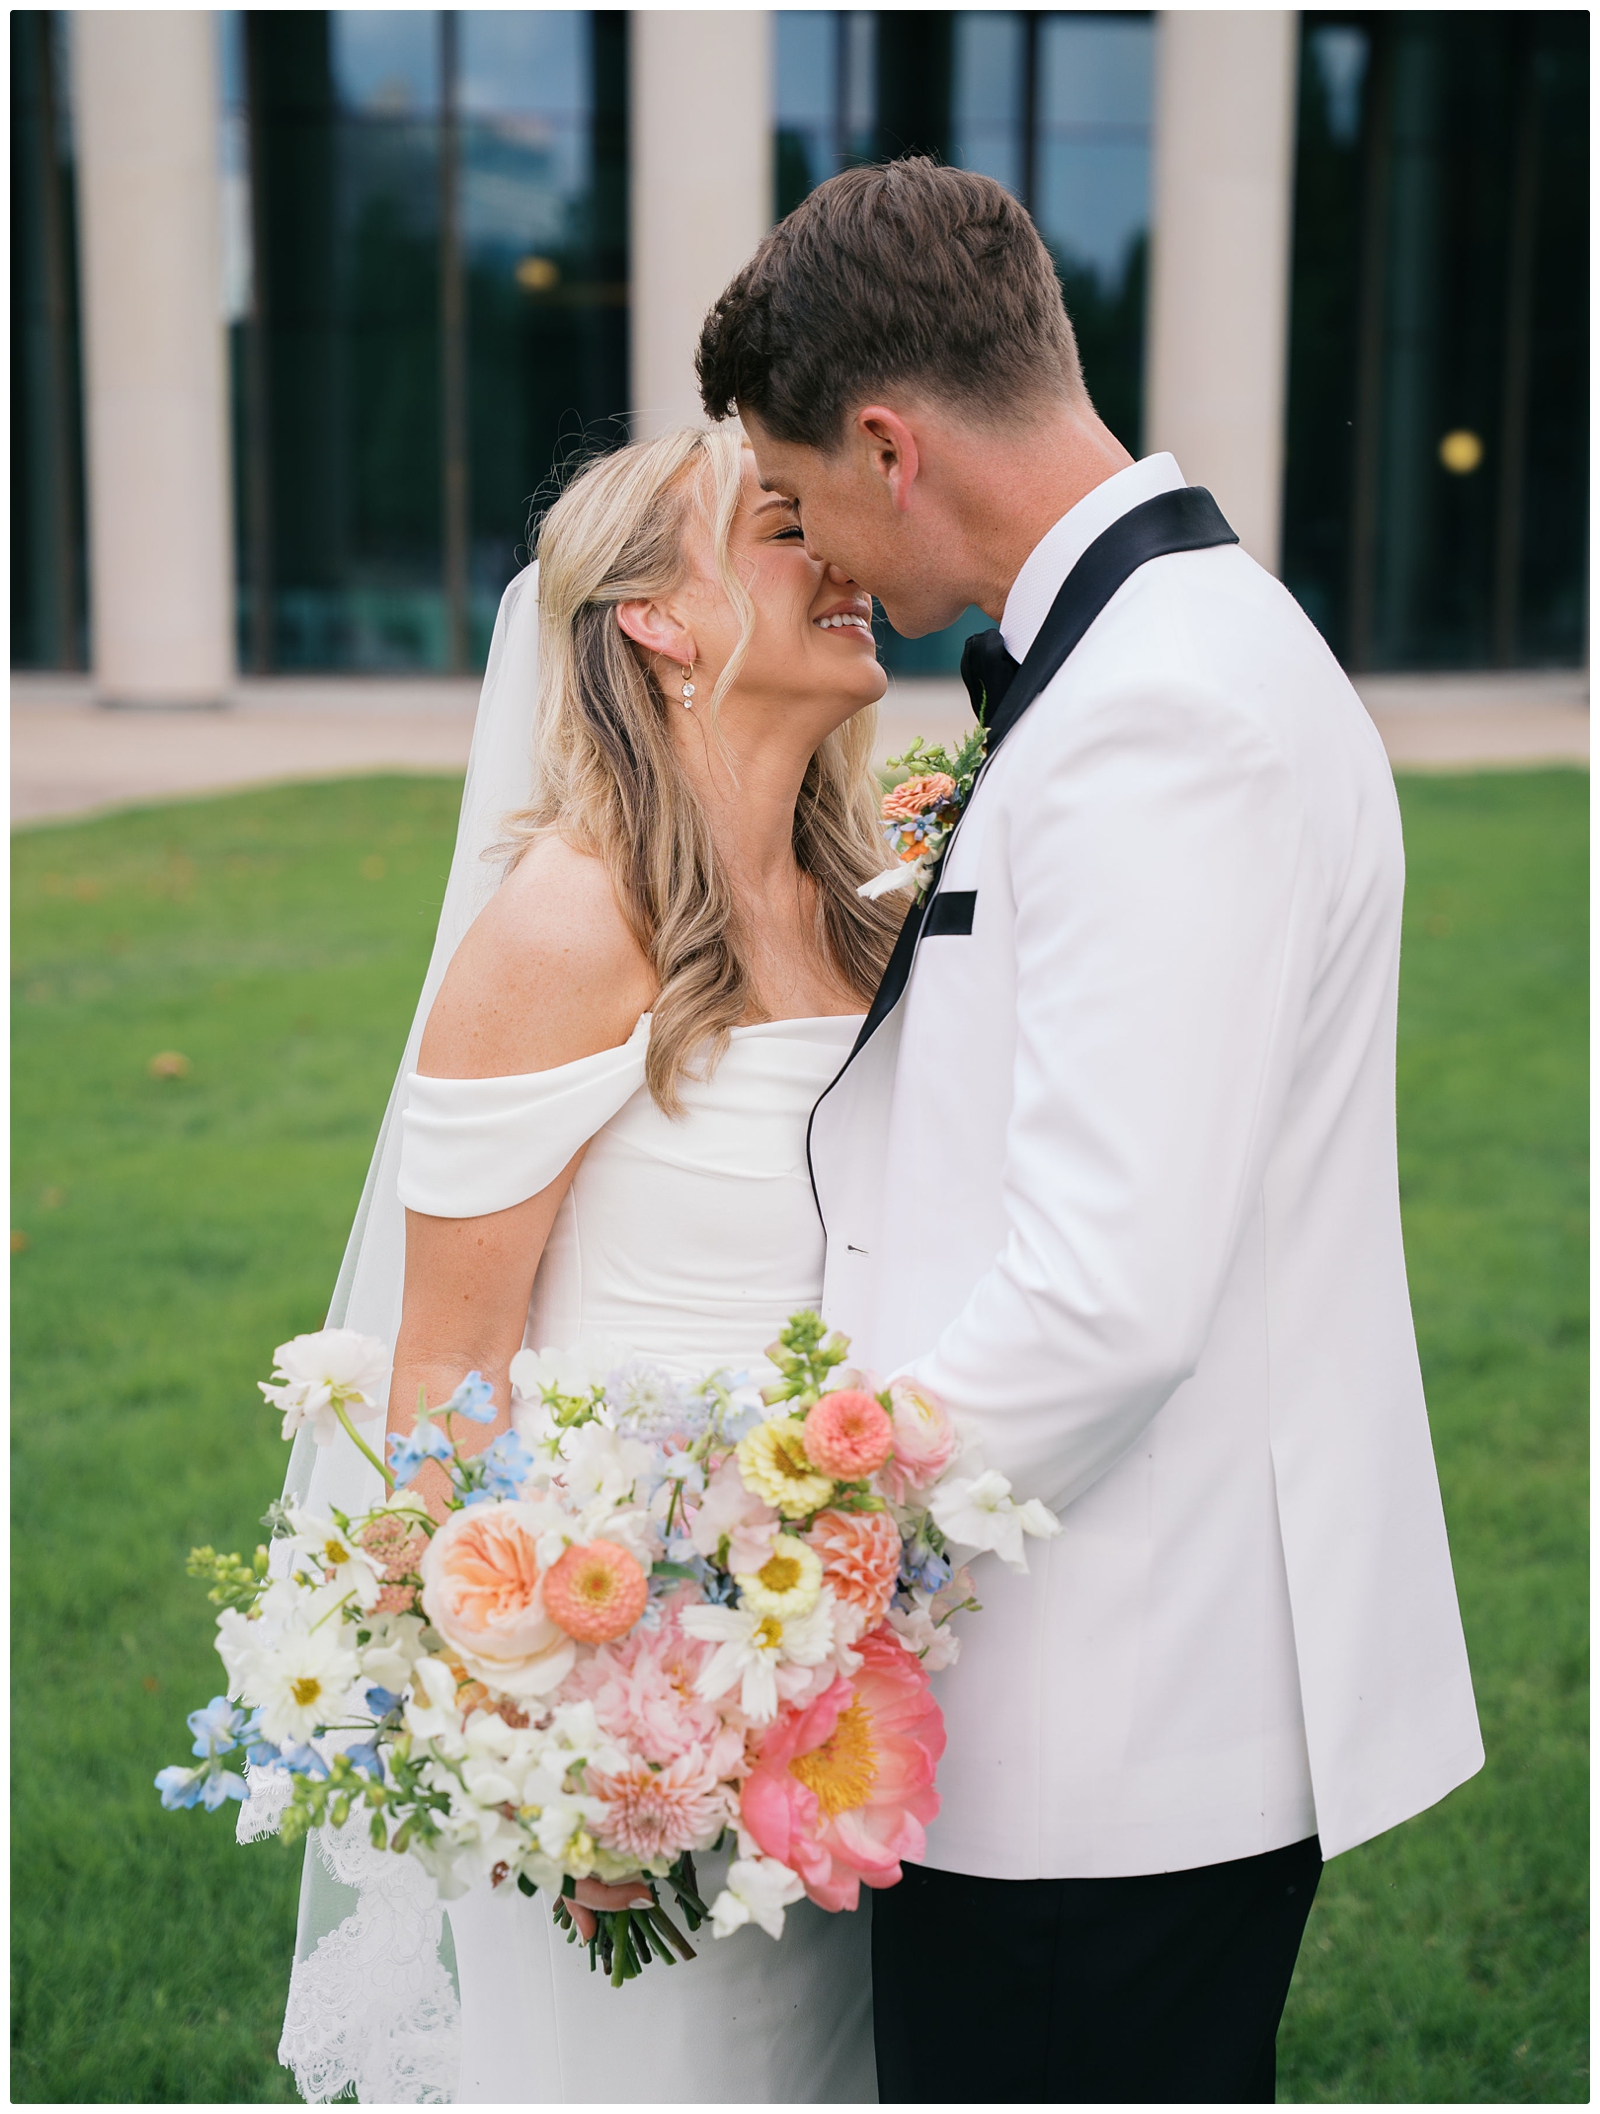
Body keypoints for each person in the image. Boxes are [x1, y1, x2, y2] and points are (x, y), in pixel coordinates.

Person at [697, 156, 1485, 2104]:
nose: (810, 562)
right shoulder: (1161, 660)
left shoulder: (1159, 713)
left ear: (890, 443)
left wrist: (775, 1565)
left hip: (1108, 1725)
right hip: (1098, 1697)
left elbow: (1105, 1292)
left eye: (797, 504)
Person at [259, 423, 898, 2102]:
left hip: (844, 1706)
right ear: (659, 623)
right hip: (630, 1749)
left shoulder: (866, 918)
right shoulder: (566, 920)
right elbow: (442, 1380)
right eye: (784, 524)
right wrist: (558, 1746)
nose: (847, 550)